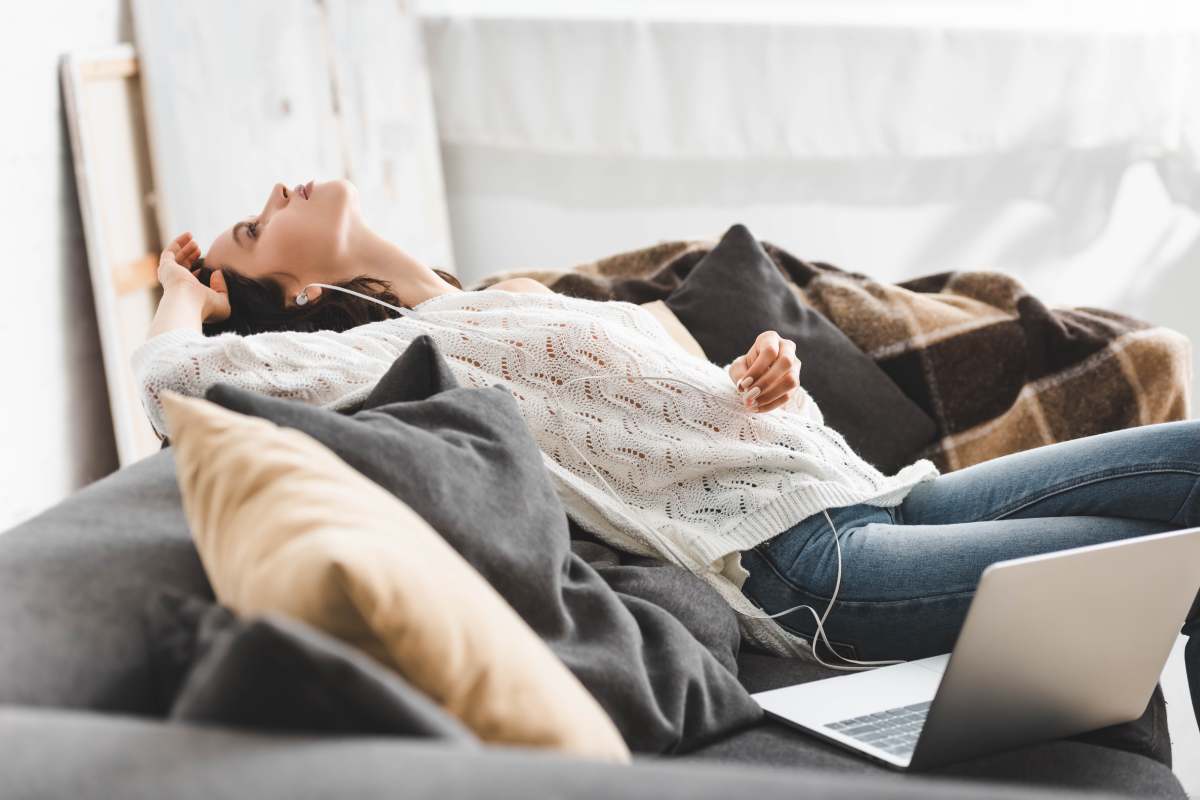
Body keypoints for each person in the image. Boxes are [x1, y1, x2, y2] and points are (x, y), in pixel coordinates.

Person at [136, 179, 1197, 722]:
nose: (275, 197)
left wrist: (758, 374)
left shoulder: (492, 299)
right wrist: (184, 295)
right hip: (809, 571)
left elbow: (672, 403)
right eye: (250, 225)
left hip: (873, 496)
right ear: (301, 293)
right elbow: (170, 386)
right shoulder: (382, 353)